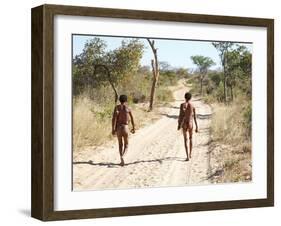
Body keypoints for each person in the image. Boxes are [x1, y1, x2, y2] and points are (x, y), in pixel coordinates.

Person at [112, 95, 135, 166]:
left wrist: (113, 129)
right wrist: (134, 127)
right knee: (126, 145)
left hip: (118, 128)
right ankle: (123, 156)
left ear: (119, 100)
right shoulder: (128, 108)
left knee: (120, 144)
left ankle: (121, 160)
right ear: (126, 100)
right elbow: (132, 118)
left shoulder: (117, 108)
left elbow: (114, 119)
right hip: (125, 127)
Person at [177, 92, 198, 161]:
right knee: (191, 138)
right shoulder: (193, 106)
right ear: (190, 98)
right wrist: (197, 126)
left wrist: (179, 124)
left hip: (184, 124)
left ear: (185, 97)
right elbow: (194, 117)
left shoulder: (182, 105)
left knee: (185, 140)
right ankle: (190, 154)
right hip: (190, 124)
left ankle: (187, 156)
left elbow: (180, 116)